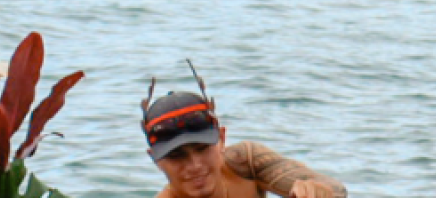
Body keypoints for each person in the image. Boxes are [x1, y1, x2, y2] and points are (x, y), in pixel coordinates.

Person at [142, 74, 347, 198]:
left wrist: (314, 191)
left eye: (202, 148)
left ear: (222, 138)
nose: (195, 165)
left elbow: (337, 190)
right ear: (155, 159)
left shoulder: (245, 162)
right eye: (177, 156)